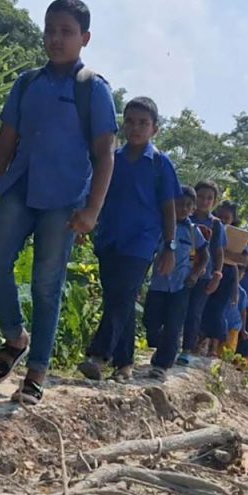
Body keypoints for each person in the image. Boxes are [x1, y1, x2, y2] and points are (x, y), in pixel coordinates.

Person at [0, 0, 118, 405]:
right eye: (50, 30)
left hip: (64, 199)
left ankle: (37, 371)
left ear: (84, 38)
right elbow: (4, 143)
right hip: (20, 188)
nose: (56, 39)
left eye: (66, 32)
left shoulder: (92, 88)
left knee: (46, 283)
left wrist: (92, 210)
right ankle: (15, 337)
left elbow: (105, 154)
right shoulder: (27, 83)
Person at [77, 96, 180, 382]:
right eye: (131, 122)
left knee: (122, 294)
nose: (136, 128)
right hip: (110, 239)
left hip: (141, 243)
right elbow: (96, 195)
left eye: (143, 123)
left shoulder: (160, 164)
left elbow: (169, 209)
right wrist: (84, 225)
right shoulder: (112, 160)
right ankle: (124, 364)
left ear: (155, 129)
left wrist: (170, 247)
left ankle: (98, 355)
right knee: (118, 299)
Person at [143, 186, 209, 380]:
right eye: (179, 204)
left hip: (181, 286)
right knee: (151, 323)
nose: (183, 208)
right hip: (158, 284)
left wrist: (195, 274)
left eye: (188, 205)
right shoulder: (161, 225)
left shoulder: (194, 231)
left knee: (173, 326)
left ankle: (162, 365)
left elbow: (204, 255)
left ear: (193, 208)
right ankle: (161, 347)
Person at [177, 181, 226, 365]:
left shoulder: (216, 225)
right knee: (177, 309)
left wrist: (217, 275)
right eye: (201, 197)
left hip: (204, 276)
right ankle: (171, 344)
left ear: (214, 202)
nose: (204, 201)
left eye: (209, 198)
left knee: (194, 312)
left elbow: (219, 252)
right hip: (180, 272)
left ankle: (187, 349)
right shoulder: (183, 217)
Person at [197, 200, 241, 358]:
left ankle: (213, 347)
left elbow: (242, 260)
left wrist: (235, 290)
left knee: (218, 311)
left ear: (233, 219)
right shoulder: (210, 226)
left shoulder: (237, 237)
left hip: (227, 274)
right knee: (202, 307)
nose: (222, 220)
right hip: (208, 269)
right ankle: (199, 342)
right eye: (220, 216)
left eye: (226, 218)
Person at [221, 284, 248, 359]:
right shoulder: (223, 286)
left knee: (228, 353)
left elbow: (243, 312)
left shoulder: (242, 292)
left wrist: (243, 330)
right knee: (219, 352)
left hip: (234, 326)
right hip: (221, 325)